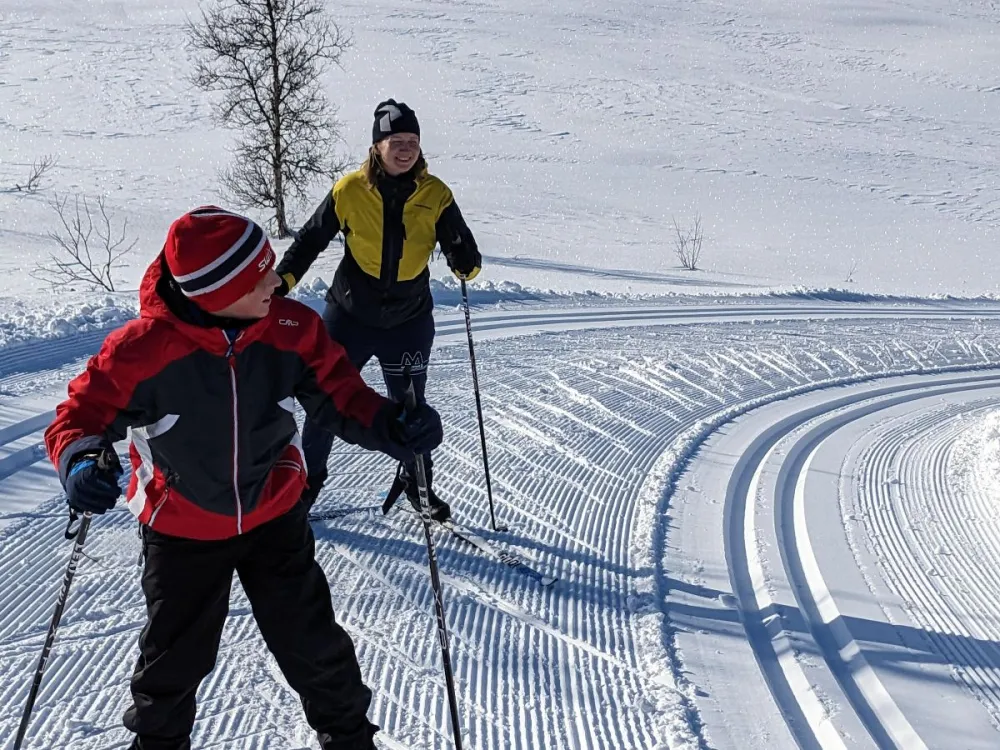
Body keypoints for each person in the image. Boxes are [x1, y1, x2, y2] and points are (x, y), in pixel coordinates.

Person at [44, 206, 444, 750]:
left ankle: (351, 740)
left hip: (275, 513)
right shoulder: (142, 350)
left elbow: (340, 394)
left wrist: (392, 424)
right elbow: (78, 417)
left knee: (314, 645)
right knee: (174, 662)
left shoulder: (291, 327)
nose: (275, 280)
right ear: (214, 292)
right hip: (181, 525)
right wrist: (82, 461)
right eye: (259, 274)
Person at [274, 98, 481, 522]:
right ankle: (307, 485)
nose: (405, 149)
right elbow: (310, 240)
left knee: (411, 410)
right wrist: (282, 283)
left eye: (412, 142)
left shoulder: (436, 194)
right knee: (324, 401)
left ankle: (417, 485)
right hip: (349, 314)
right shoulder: (349, 190)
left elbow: (468, 257)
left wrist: (464, 260)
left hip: (408, 320)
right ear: (377, 146)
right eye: (396, 141)